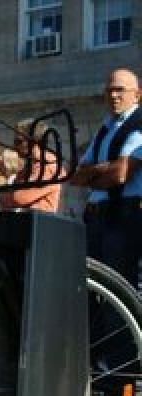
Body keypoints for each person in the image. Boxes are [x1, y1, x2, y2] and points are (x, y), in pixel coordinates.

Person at [71, 67, 142, 289]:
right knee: (88, 285)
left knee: (117, 288)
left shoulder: (138, 123)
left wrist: (92, 176)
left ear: (137, 94)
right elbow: (76, 177)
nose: (113, 96)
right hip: (95, 217)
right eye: (109, 90)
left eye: (120, 90)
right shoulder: (106, 127)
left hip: (122, 216)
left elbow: (120, 174)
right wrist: (103, 171)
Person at [0, 119, 61, 213]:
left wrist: (1, 197)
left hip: (39, 219)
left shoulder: (48, 164)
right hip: (25, 218)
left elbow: (19, 198)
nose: (14, 146)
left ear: (34, 141)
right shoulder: (30, 164)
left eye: (18, 141)